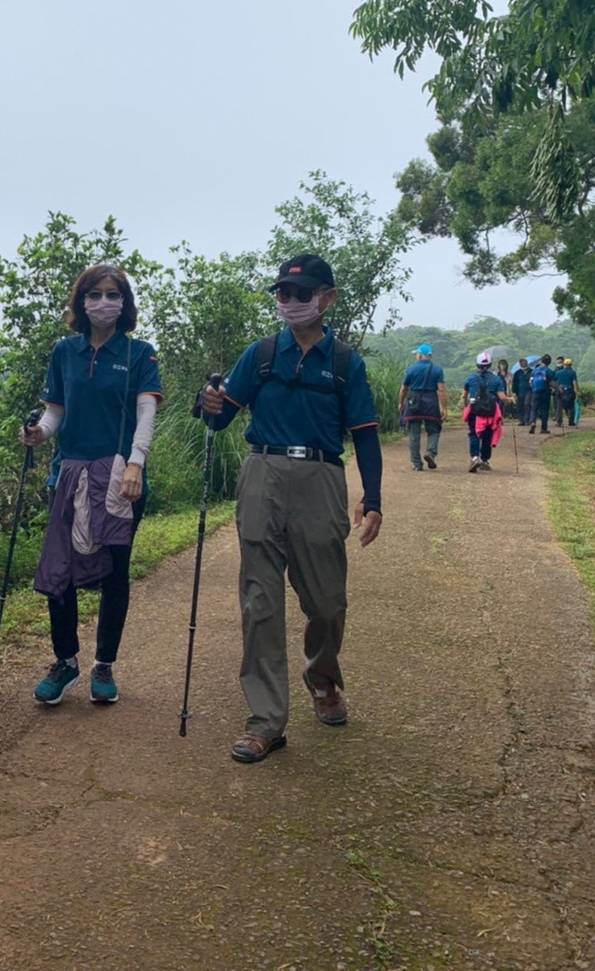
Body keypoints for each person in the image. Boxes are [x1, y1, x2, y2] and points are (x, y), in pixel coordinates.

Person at [197, 253, 383, 764]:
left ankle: (323, 680)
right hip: (262, 474)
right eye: (283, 294)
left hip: (321, 476)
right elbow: (219, 419)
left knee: (326, 602)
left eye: (301, 294)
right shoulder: (259, 355)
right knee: (260, 601)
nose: (290, 303)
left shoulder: (346, 363)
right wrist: (209, 403)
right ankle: (266, 720)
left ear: (327, 299)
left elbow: (365, 435)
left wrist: (374, 497)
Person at [22, 265, 163, 706]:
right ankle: (65, 661)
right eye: (95, 294)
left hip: (120, 477)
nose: (104, 302)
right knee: (59, 569)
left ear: (125, 303)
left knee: (114, 572)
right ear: (80, 302)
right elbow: (54, 414)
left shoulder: (140, 354)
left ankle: (104, 665)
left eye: (113, 294)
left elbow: (145, 413)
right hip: (69, 474)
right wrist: (38, 434)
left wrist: (136, 464)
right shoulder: (65, 352)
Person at [397, 342, 448, 472]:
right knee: (434, 430)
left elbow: (404, 389)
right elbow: (441, 390)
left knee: (414, 434)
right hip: (431, 403)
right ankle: (430, 453)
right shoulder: (437, 370)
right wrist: (445, 408)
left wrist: (401, 403)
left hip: (413, 403)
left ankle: (417, 463)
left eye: (417, 354)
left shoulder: (411, 369)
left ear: (421, 356)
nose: (416, 356)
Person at [461, 350, 510, 472]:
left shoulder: (471, 378)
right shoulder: (497, 379)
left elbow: (464, 396)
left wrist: (466, 406)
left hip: (475, 410)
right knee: (488, 435)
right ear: (489, 365)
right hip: (490, 411)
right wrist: (511, 400)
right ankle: (485, 460)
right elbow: (502, 397)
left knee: (474, 434)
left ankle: (475, 457)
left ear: (477, 365)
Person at [527, 354, 553, 434]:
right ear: (549, 363)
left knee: (534, 409)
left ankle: (533, 422)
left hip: (535, 392)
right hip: (545, 392)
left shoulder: (535, 370)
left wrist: (534, 388)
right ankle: (543, 428)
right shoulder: (549, 371)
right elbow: (553, 382)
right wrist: (557, 389)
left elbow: (530, 382)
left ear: (541, 361)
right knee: (544, 410)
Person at [553, 357, 579, 429]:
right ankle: (571, 422)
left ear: (564, 364)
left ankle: (559, 422)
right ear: (571, 365)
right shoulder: (573, 373)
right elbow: (574, 382)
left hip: (560, 391)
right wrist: (576, 392)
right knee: (571, 407)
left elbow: (553, 381)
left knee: (559, 407)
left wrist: (557, 388)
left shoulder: (558, 372)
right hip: (569, 392)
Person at [511, 357, 531, 426]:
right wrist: (514, 392)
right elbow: (515, 383)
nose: (523, 364)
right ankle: (521, 420)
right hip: (520, 391)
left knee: (527, 404)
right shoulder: (517, 373)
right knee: (520, 406)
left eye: (525, 362)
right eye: (522, 363)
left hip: (529, 390)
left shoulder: (531, 371)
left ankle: (527, 420)